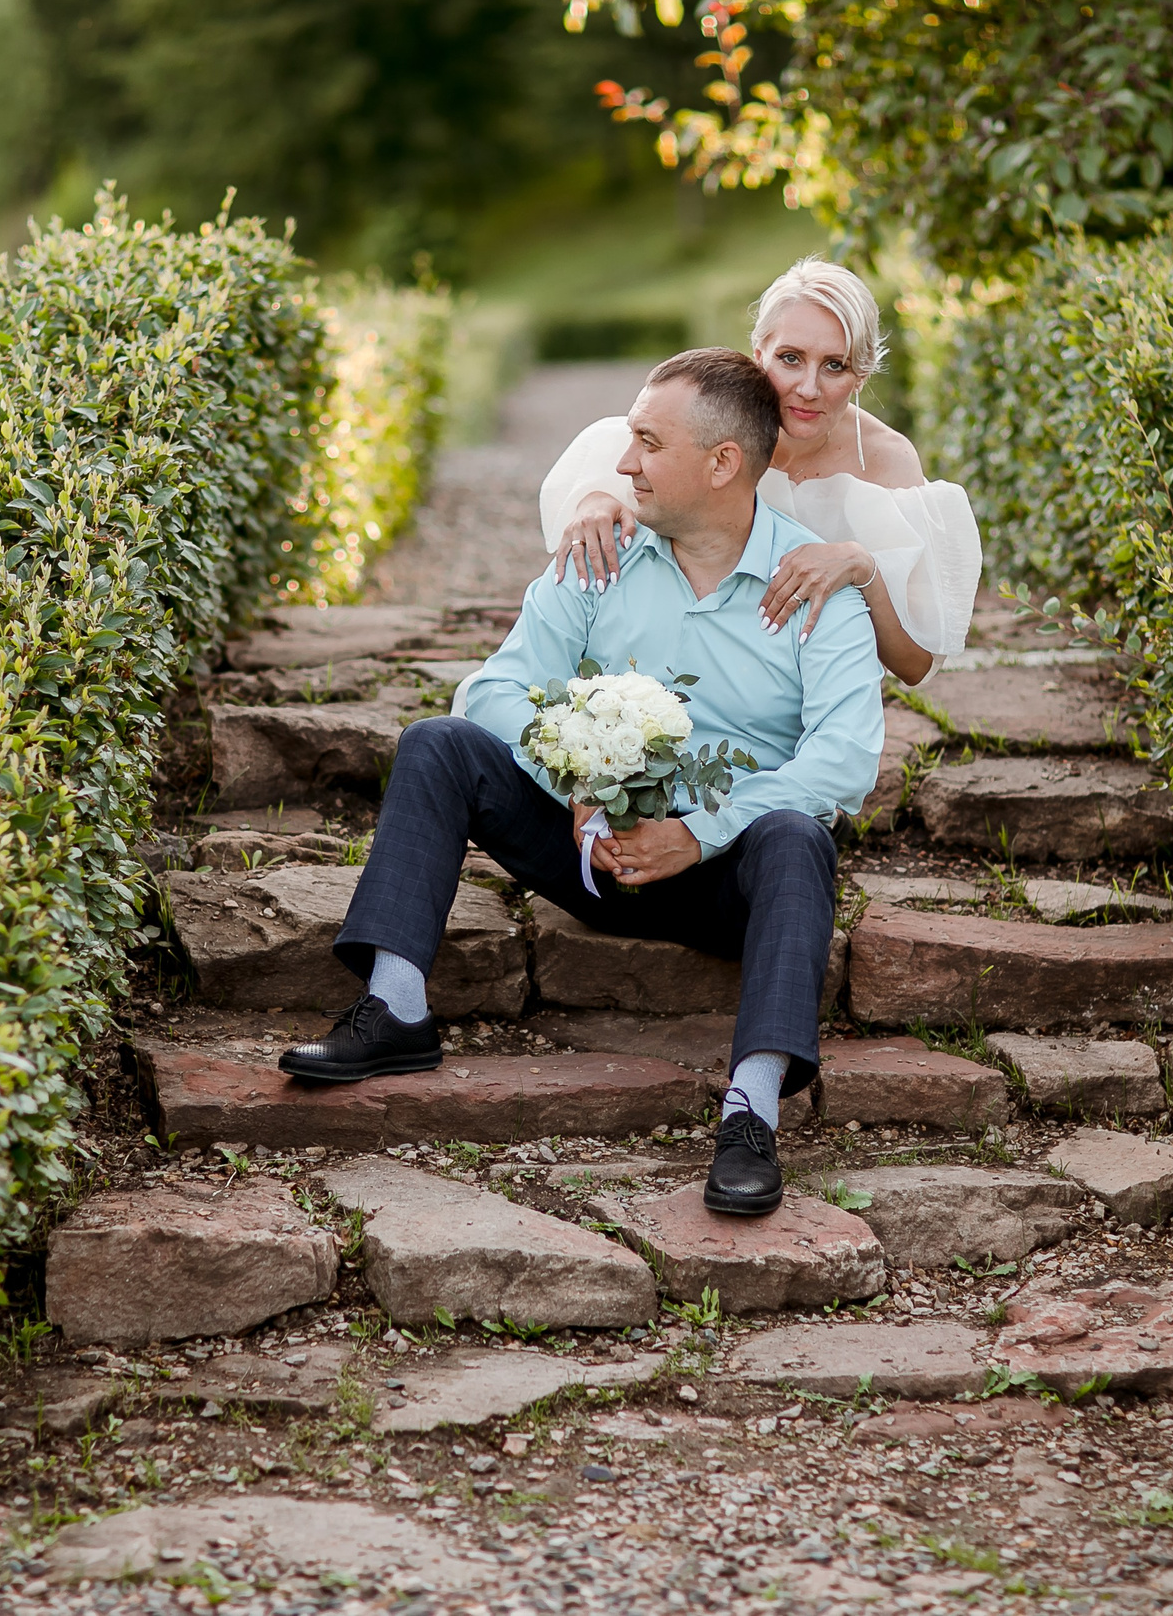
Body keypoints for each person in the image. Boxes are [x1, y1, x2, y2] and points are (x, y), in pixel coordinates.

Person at [280, 349, 886, 1218]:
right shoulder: (601, 549)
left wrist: (698, 832)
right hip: (585, 847)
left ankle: (750, 1113)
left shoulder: (812, 585)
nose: (624, 462)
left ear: (722, 463)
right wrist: (574, 775)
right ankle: (395, 1008)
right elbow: (491, 687)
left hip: (723, 879)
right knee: (439, 742)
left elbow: (844, 760)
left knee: (798, 835)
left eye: (646, 442)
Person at [540, 257, 981, 686]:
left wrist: (862, 565)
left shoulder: (887, 463)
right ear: (759, 353)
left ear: (861, 375)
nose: (808, 389)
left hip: (807, 689)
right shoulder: (715, 420)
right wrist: (599, 496)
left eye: (835, 365)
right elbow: (639, 449)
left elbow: (915, 665)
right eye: (790, 358)